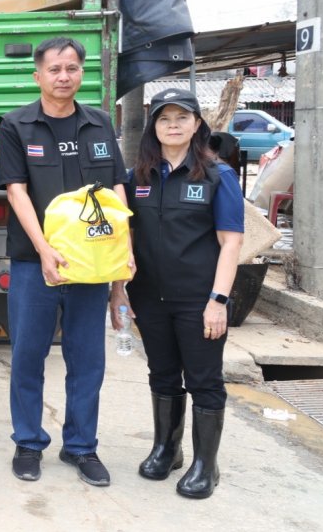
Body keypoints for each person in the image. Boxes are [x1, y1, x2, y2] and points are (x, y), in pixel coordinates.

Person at [0, 36, 130, 486]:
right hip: (37, 264)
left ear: (81, 72)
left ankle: (81, 447)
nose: (63, 77)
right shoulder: (17, 126)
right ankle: (29, 443)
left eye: (72, 68)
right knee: (28, 356)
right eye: (54, 70)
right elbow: (16, 191)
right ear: (38, 75)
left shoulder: (99, 123)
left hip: (92, 265)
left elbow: (115, 191)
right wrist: (44, 250)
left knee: (87, 359)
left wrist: (123, 254)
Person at [110, 88, 243, 499]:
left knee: (203, 380)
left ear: (197, 125)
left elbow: (231, 243)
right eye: (164, 118)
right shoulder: (139, 177)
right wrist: (119, 291)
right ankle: (167, 449)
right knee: (162, 375)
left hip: (198, 300)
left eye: (181, 117)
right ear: (154, 126)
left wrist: (218, 301)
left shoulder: (217, 176)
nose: (172, 125)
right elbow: (124, 238)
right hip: (150, 297)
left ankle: (207, 464)